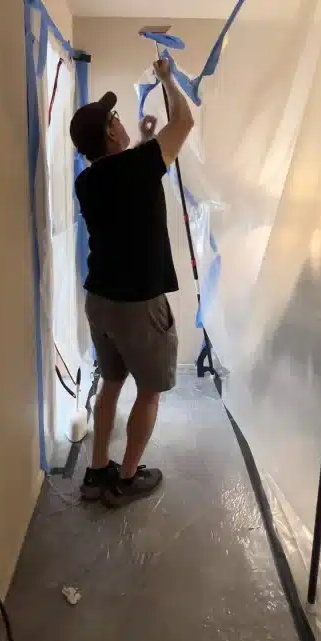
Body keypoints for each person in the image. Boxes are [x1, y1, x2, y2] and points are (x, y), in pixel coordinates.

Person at [69, 57, 194, 507]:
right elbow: (185, 122)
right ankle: (125, 480)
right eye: (116, 118)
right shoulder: (137, 166)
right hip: (138, 305)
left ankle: (96, 473)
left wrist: (142, 137)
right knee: (149, 390)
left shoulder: (88, 181)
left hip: (100, 300)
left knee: (111, 382)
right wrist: (168, 79)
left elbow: (129, 175)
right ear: (110, 133)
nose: (121, 121)